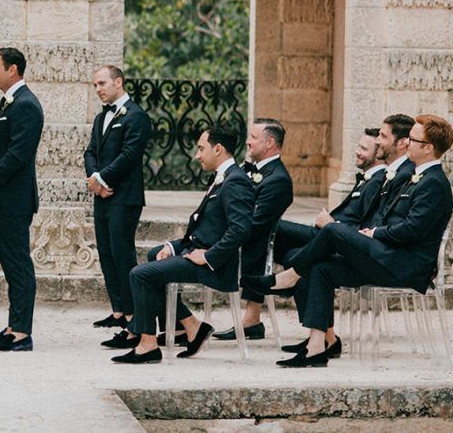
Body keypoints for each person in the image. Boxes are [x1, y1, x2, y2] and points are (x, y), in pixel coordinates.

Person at [243, 115, 453, 368]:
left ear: (428, 148)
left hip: (404, 265)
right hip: (386, 255)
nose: (407, 144)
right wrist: (372, 233)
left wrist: (374, 234)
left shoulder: (434, 184)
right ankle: (317, 346)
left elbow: (412, 230)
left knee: (333, 231)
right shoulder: (415, 176)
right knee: (321, 269)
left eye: (413, 140)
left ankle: (290, 276)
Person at [112, 123, 256, 364]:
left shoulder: (235, 181)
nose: (197, 155)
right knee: (155, 255)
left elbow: (240, 230)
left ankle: (147, 344)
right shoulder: (225, 178)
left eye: (201, 149)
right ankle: (190, 326)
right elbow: (206, 228)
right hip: (197, 252)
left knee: (140, 275)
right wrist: (173, 247)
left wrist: (208, 257)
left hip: (217, 266)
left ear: (218, 148)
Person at [0, 48, 44, 353]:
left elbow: (18, 154)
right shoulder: (9, 100)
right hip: (3, 197)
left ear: (12, 70)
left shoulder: (26, 104)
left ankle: (22, 333)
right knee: (10, 263)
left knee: (18, 264)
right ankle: (14, 325)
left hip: (15, 199)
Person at [84, 65, 152, 346]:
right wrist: (93, 178)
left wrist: (102, 177)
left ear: (119, 82)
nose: (98, 89)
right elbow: (90, 151)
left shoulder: (137, 116)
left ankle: (135, 319)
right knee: (106, 253)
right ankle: (119, 311)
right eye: (95, 85)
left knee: (123, 255)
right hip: (102, 194)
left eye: (102, 83)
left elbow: (129, 155)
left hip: (125, 197)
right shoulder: (102, 116)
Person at [214, 118, 293, 342]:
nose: (247, 142)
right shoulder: (245, 170)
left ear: (269, 143)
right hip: (232, 233)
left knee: (256, 240)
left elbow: (256, 224)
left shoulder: (278, 179)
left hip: (251, 241)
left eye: (253, 138)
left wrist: (221, 237)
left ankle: (251, 319)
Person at [272, 128, 386, 266]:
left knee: (275, 226)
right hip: (324, 234)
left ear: (379, 154)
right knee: (281, 244)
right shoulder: (370, 178)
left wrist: (332, 224)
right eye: (358, 146)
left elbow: (365, 226)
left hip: (334, 238)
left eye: (363, 149)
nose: (357, 152)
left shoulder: (377, 182)